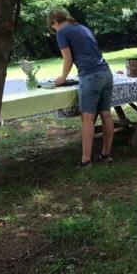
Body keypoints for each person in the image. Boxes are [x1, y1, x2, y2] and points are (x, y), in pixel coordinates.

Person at [49, 9, 114, 166]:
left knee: (87, 118)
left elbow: (68, 60)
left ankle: (86, 160)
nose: (54, 30)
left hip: (90, 76)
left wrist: (62, 78)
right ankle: (106, 154)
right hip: (106, 73)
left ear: (55, 22)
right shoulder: (83, 27)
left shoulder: (62, 33)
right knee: (106, 115)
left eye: (53, 27)